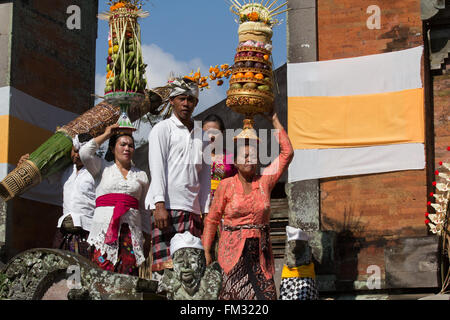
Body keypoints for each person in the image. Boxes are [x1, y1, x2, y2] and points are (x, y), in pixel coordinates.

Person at [202, 112, 294, 300]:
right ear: (235, 162)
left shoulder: (265, 182)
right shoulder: (226, 185)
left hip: (261, 257)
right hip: (231, 257)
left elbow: (287, 153)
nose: (248, 159)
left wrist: (274, 119)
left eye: (252, 155)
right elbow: (212, 219)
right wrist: (206, 251)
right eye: (244, 156)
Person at [145, 77, 211, 273]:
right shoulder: (162, 129)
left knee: (191, 271)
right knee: (165, 271)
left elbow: (205, 180)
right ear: (171, 101)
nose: (186, 104)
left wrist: (207, 213)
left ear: (196, 103)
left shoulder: (203, 136)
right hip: (167, 209)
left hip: (192, 211)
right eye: (181, 98)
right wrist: (159, 205)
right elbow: (156, 168)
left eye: (190, 100)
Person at [79, 124, 150, 275]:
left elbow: (144, 210)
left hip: (130, 234)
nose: (127, 148)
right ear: (112, 148)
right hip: (103, 232)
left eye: (131, 146)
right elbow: (84, 153)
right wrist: (106, 134)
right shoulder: (102, 167)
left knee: (128, 276)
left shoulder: (141, 175)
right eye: (122, 144)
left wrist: (147, 238)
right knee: (101, 274)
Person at [17, 133, 96, 259]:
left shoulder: (96, 171)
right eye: (75, 151)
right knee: (61, 268)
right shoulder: (66, 170)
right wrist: (26, 163)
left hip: (86, 229)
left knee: (83, 270)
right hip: (63, 230)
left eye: (81, 153)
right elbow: (41, 174)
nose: (76, 155)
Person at [202, 114, 237, 203]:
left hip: (224, 203)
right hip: (199, 203)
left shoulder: (229, 156)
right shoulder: (196, 155)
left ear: (222, 133)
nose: (211, 136)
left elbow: (237, 180)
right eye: (207, 132)